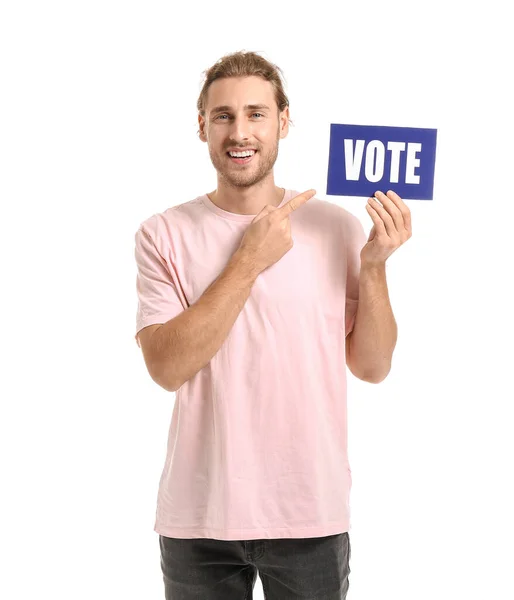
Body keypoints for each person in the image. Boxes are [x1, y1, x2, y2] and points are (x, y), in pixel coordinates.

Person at [134, 50, 411, 600]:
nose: (241, 132)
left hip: (309, 511)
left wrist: (374, 266)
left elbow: (373, 366)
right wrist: (248, 259)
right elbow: (166, 368)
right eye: (224, 115)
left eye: (257, 114)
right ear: (202, 126)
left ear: (284, 121)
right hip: (199, 519)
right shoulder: (162, 234)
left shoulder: (334, 225)